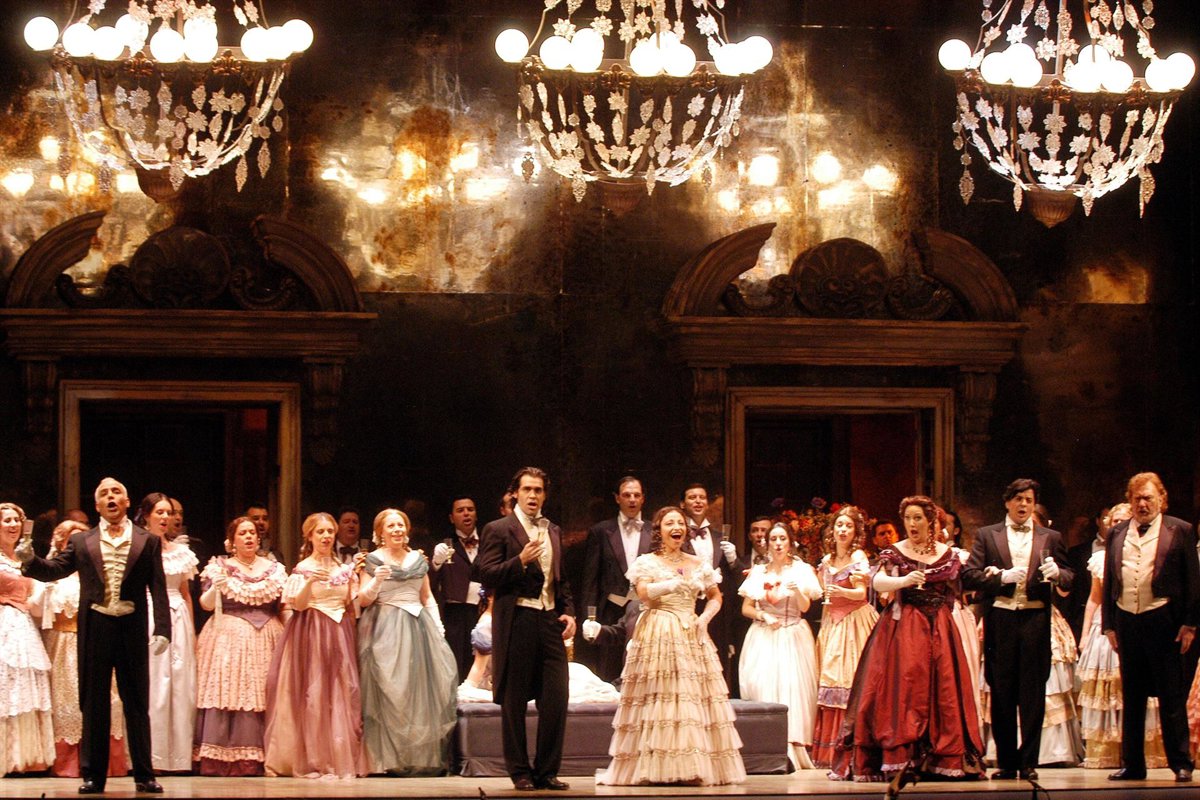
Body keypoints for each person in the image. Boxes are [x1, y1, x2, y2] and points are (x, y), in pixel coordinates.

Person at [20, 477, 170, 794]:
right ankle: (93, 775)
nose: (111, 496)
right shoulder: (81, 541)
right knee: (94, 702)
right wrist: (29, 561)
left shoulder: (147, 540)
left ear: (126, 502)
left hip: (131, 625)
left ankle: (144, 774)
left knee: (136, 702)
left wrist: (162, 629)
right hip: (97, 627)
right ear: (97, 505)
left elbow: (158, 588)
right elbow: (54, 569)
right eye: (104, 493)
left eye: (117, 492)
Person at [830, 495, 983, 782]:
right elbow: (878, 582)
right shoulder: (896, 551)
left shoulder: (947, 554)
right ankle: (901, 755)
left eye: (918, 518)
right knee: (905, 688)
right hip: (906, 625)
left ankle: (940, 757)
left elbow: (964, 584)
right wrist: (904, 581)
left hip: (940, 625)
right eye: (908, 518)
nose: (912, 524)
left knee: (943, 688)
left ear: (930, 521)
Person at [596, 506, 745, 786]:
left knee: (690, 699)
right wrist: (671, 585)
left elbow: (715, 596)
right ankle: (654, 767)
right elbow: (643, 594)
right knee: (660, 698)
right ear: (659, 531)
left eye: (680, 523)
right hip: (659, 628)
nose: (676, 527)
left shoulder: (698, 562)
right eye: (669, 523)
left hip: (690, 632)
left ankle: (691, 766)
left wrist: (704, 618)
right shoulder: (647, 562)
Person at [473, 467, 575, 791]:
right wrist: (520, 561)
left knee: (556, 697)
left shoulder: (553, 530)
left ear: (545, 495)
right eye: (527, 489)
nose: (533, 495)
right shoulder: (499, 529)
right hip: (518, 619)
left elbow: (561, 580)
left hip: (548, 619)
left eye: (538, 490)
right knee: (514, 700)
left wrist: (569, 613)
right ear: (515, 493)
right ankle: (519, 771)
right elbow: (485, 573)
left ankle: (547, 771)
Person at [963, 479, 1072, 781]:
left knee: (1033, 693)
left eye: (1029, 500)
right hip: (1002, 620)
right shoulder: (988, 535)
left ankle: (1028, 762)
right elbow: (969, 575)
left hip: (1035, 620)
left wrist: (1058, 574)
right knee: (1002, 692)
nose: (1024, 504)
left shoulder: (1051, 537)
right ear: (1007, 502)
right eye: (1019, 499)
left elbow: (1069, 576)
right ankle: (1008, 762)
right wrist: (1001, 578)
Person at [1102, 472, 1199, 783]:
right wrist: (1109, 625)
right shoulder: (1117, 532)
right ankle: (1133, 764)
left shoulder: (1180, 530)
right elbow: (1110, 580)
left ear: (1161, 499)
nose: (1142, 504)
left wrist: (1190, 623)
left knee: (1171, 695)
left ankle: (1180, 763)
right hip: (1127, 619)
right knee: (1132, 696)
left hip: (1164, 620)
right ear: (1130, 501)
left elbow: (1193, 581)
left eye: (1148, 498)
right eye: (1137, 498)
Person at [263, 512, 368, 778]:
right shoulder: (302, 569)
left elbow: (350, 604)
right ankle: (313, 757)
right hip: (311, 631)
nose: (326, 536)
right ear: (309, 536)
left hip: (338, 632)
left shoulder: (343, 569)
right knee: (313, 692)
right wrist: (310, 582)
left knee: (341, 691)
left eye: (330, 532)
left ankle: (337, 754)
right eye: (320, 532)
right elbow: (297, 605)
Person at [357, 508, 458, 776]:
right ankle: (385, 759)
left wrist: (438, 626)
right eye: (391, 526)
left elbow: (427, 596)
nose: (397, 530)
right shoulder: (372, 560)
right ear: (380, 532)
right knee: (390, 691)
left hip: (417, 626)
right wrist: (377, 581)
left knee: (419, 692)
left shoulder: (417, 559)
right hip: (385, 627)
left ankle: (418, 757)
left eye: (401, 525)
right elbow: (363, 600)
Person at [193, 516, 287, 776]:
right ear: (232, 541)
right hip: (229, 635)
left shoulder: (273, 569)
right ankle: (226, 756)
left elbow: (283, 605)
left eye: (252, 533)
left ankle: (267, 755)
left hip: (267, 635)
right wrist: (218, 586)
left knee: (264, 693)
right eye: (243, 533)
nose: (248, 537)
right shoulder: (220, 567)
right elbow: (206, 605)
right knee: (230, 691)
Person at [1077, 503, 1168, 769]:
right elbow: (1094, 599)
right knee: (1107, 690)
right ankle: (1109, 752)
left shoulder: (1145, 553)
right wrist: (1084, 634)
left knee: (1135, 688)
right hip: (1107, 626)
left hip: (1136, 622)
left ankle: (1140, 752)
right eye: (1112, 520)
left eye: (1121, 520)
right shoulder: (1100, 559)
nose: (1116, 524)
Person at [41, 519, 131, 778]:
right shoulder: (56, 580)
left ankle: (106, 760)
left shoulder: (101, 573)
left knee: (107, 699)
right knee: (67, 700)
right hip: (64, 644)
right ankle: (69, 761)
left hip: (96, 639)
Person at [739, 521, 822, 770]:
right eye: (773, 539)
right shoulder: (759, 572)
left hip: (792, 633)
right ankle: (765, 747)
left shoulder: (801, 570)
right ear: (767, 543)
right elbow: (746, 608)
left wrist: (797, 592)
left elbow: (805, 607)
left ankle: (794, 747)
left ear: (790, 542)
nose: (777, 544)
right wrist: (763, 615)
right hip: (764, 635)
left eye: (782, 539)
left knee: (792, 688)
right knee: (763, 686)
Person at [134, 492, 198, 773]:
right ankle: (151, 756)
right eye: (159, 512)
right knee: (154, 684)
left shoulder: (181, 553)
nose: (165, 517)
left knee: (180, 685)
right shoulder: (136, 548)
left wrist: (192, 632)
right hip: (148, 614)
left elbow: (185, 594)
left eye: (168, 512)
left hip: (178, 616)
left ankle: (179, 756)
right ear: (146, 515)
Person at [812, 505, 878, 768]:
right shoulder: (827, 560)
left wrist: (840, 592)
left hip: (854, 620)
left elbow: (861, 593)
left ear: (855, 532)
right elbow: (822, 595)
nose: (843, 530)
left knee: (848, 678)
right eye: (839, 525)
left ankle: (852, 746)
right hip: (832, 622)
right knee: (830, 678)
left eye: (848, 526)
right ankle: (829, 749)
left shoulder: (858, 556)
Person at [0, 502, 55, 775]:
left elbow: (34, 601)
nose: (13, 525)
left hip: (23, 625)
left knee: (24, 687)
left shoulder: (24, 559)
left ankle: (25, 757)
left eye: (16, 520)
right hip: (3, 623)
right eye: (7, 520)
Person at [581, 476, 652, 683]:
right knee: (608, 672)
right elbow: (591, 579)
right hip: (610, 611)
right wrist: (590, 618)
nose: (632, 499)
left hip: (645, 611)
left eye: (636, 495)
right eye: (627, 495)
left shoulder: (654, 531)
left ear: (643, 498)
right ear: (617, 498)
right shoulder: (601, 531)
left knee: (643, 671)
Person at [680, 484, 739, 686]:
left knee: (716, 658)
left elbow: (735, 577)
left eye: (702, 497)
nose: (698, 501)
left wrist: (733, 561)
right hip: (689, 606)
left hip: (716, 607)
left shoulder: (718, 537)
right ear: (682, 504)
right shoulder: (678, 537)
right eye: (692, 497)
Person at [430, 494, 484, 681]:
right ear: (452, 518)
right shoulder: (443, 544)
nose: (466, 513)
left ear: (476, 515)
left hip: (484, 611)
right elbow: (430, 583)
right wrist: (436, 563)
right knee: (455, 664)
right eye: (460, 511)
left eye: (470, 509)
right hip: (455, 614)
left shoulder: (489, 541)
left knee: (483, 663)